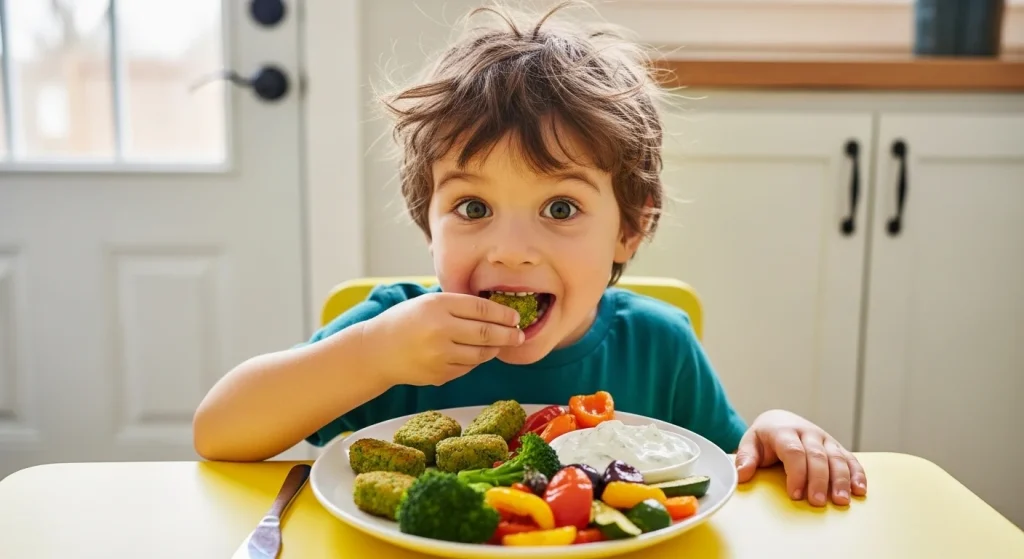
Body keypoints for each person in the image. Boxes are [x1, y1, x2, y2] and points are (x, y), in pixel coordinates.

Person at [193, 0, 866, 508]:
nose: (511, 251)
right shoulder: (392, 335)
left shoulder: (658, 346)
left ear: (629, 231)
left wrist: (775, 431)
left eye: (561, 209)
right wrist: (373, 355)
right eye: (473, 208)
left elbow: (725, 472)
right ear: (427, 223)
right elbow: (220, 431)